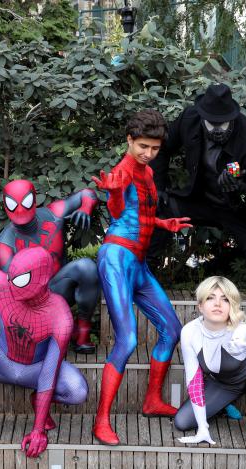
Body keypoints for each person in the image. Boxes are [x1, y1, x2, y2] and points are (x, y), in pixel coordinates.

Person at [150, 84, 246, 359]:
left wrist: (239, 188)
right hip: (202, 199)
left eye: (224, 124)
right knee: (161, 210)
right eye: (213, 123)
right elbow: (161, 148)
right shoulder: (189, 119)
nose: (218, 129)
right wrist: (158, 186)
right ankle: (141, 276)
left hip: (242, 209)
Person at [91, 109, 192, 446]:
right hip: (117, 258)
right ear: (129, 140)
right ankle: (101, 419)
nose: (149, 154)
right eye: (143, 147)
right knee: (127, 339)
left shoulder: (146, 172)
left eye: (155, 148)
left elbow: (144, 214)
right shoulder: (122, 171)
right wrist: (114, 192)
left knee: (172, 329)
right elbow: (119, 211)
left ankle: (151, 401)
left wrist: (166, 224)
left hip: (138, 263)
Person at [0, 247, 88, 457]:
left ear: (43, 278)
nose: (12, 285)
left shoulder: (60, 315)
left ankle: (35, 400)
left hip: (35, 371)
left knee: (77, 391)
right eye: (11, 277)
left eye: (20, 279)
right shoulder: (0, 283)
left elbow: (50, 371)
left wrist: (38, 430)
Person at [0, 179, 100, 353]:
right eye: (13, 206)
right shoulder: (5, 243)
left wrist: (86, 207)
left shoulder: (53, 214)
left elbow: (87, 193)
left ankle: (82, 331)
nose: (20, 213)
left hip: (58, 288)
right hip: (29, 304)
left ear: (34, 201)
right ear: (6, 207)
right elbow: (15, 287)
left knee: (86, 267)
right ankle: (26, 334)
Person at [175, 276, 246, 444]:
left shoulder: (241, 329)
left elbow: (238, 344)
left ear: (232, 306)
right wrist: (203, 428)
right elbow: (194, 380)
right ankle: (225, 403)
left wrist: (236, 344)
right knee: (182, 422)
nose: (217, 304)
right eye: (211, 298)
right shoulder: (189, 332)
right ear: (200, 306)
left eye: (225, 299)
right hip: (224, 383)